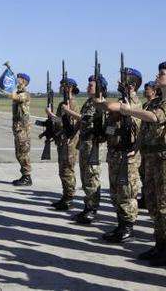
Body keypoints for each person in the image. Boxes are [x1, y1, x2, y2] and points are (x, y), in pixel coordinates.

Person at [120, 61, 166, 266]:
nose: (159, 75)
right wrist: (136, 147)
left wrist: (128, 110)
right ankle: (159, 244)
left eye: (163, 73)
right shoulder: (155, 101)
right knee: (154, 204)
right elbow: (145, 129)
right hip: (151, 159)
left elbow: (155, 118)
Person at [94, 68, 142, 243]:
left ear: (132, 84)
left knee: (126, 193)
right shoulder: (121, 103)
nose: (118, 83)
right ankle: (121, 225)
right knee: (115, 193)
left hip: (127, 156)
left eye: (122, 81)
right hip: (115, 154)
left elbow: (107, 105)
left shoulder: (134, 104)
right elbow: (111, 127)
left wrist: (100, 102)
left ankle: (128, 227)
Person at [62, 74, 107, 224]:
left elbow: (85, 118)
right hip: (85, 143)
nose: (88, 87)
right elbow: (81, 123)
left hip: (94, 144)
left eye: (91, 85)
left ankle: (92, 209)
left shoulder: (100, 103)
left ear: (100, 88)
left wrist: (68, 112)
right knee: (85, 177)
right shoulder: (89, 102)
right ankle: (87, 207)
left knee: (92, 177)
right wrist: (72, 134)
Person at [46, 78, 80, 210]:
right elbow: (59, 122)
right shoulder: (63, 104)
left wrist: (50, 114)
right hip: (62, 141)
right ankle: (65, 195)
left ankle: (69, 197)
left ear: (70, 88)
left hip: (69, 142)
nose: (60, 88)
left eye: (63, 86)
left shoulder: (72, 104)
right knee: (62, 170)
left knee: (67, 170)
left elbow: (67, 123)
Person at [7, 73, 32, 186]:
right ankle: (24, 175)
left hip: (23, 129)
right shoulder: (19, 93)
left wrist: (11, 86)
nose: (16, 81)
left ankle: (27, 176)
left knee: (23, 154)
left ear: (23, 81)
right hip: (18, 129)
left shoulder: (25, 94)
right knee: (19, 153)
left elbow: (13, 96)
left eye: (18, 79)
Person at [137, 81, 159, 209]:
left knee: (151, 174)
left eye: (148, 89)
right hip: (144, 144)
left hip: (152, 144)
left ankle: (152, 197)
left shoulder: (157, 105)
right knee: (143, 172)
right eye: (145, 89)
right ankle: (145, 197)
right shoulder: (146, 104)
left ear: (154, 91)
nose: (146, 92)